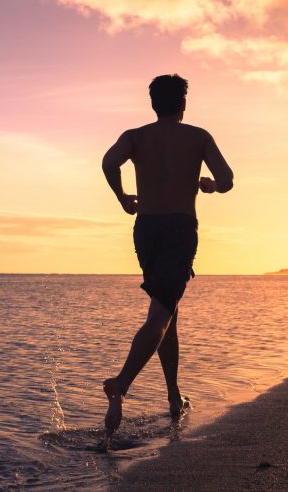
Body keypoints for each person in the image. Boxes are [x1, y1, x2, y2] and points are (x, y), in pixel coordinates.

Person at [100, 74, 234, 440]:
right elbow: (227, 178)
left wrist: (123, 197)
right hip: (178, 230)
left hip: (146, 229)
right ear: (183, 104)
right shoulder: (198, 137)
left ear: (153, 104)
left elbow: (109, 163)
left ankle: (174, 397)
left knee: (167, 312)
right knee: (161, 314)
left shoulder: (135, 137)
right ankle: (121, 385)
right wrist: (211, 185)